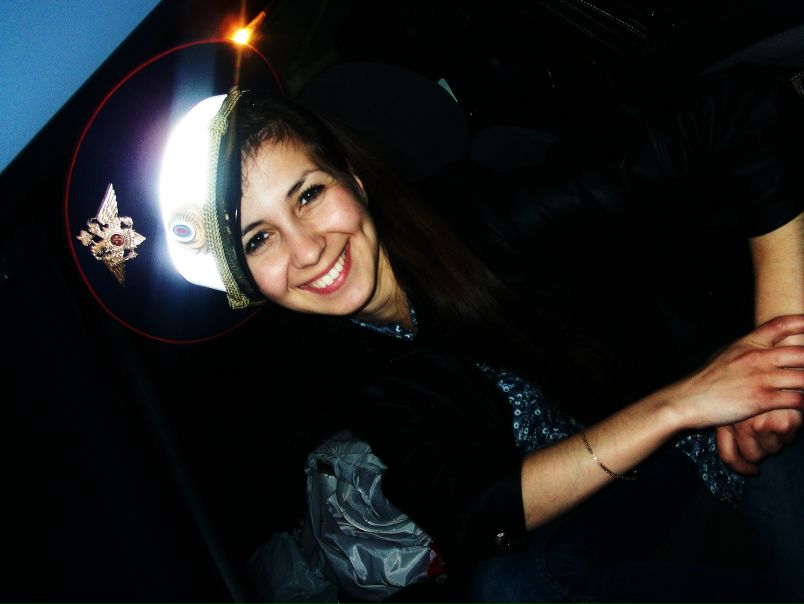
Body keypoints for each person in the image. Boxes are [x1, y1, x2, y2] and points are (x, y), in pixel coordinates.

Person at [156, 62, 804, 603]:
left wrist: (775, 353)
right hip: (646, 456)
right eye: (259, 239)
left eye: (307, 195)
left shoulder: (487, 221)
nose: (306, 250)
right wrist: (677, 406)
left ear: (352, 181)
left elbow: (744, 111)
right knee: (505, 589)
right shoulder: (349, 360)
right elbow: (473, 512)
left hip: (725, 402)